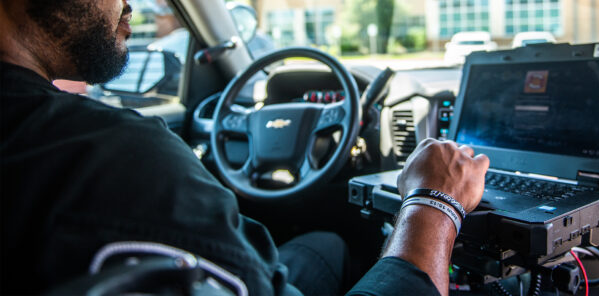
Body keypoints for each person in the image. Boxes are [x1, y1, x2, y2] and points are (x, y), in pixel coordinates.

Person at [0, 0, 489, 295]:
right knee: (330, 245)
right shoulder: (116, 157)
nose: (130, 4)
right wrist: (433, 203)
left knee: (325, 242)